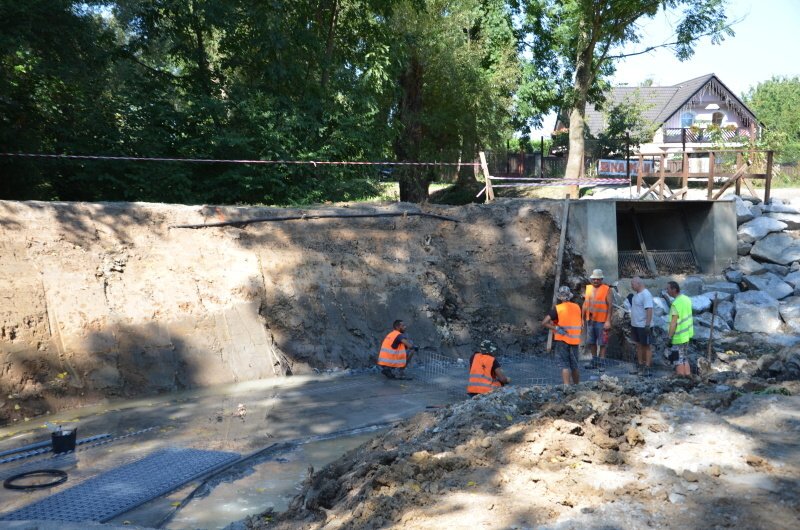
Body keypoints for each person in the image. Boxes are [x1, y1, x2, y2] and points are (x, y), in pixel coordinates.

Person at [543, 286, 582, 385]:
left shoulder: (558, 308)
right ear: (570, 296)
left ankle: (566, 386)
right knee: (575, 366)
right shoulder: (577, 307)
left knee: (565, 365)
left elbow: (544, 322)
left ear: (560, 297)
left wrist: (556, 328)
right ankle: (577, 386)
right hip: (575, 340)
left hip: (562, 340)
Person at [582, 268, 613, 370]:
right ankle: (594, 362)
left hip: (602, 321)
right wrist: (582, 319)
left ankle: (601, 363)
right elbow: (585, 304)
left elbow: (610, 306)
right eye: (594, 279)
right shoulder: (588, 288)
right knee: (592, 342)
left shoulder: (606, 289)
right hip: (590, 320)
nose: (596, 281)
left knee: (602, 343)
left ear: (601, 279)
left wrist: (608, 321)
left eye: (598, 279)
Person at [665, 281, 693, 376]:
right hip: (687, 335)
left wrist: (669, 337)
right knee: (684, 357)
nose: (666, 291)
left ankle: (681, 380)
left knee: (678, 360)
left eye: (668, 289)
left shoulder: (675, 304)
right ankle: (688, 376)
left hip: (678, 337)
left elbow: (673, 323)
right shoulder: (686, 299)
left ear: (674, 290)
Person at [629, 277, 654, 375]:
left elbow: (649, 310)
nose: (631, 286)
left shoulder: (646, 294)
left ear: (638, 284)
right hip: (635, 325)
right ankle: (640, 365)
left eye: (632, 284)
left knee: (646, 346)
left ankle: (647, 367)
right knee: (638, 345)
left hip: (643, 325)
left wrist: (647, 324)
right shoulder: (637, 295)